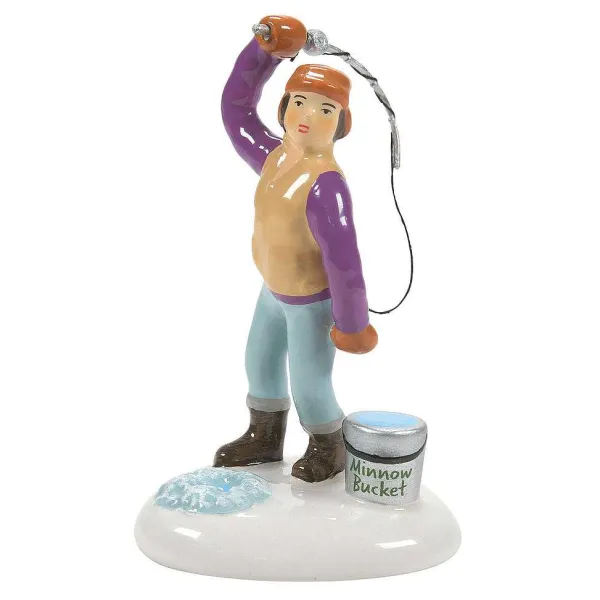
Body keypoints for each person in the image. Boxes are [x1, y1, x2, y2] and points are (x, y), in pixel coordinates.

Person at [214, 15, 378, 482]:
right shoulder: (273, 157)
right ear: (284, 107)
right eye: (300, 102)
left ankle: (329, 444)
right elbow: (235, 108)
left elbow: (345, 263)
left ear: (341, 124)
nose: (307, 116)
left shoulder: (326, 185)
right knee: (259, 362)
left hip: (311, 302)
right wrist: (264, 52)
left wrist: (352, 324)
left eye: (325, 109)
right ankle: (264, 435)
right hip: (272, 290)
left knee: (309, 379)